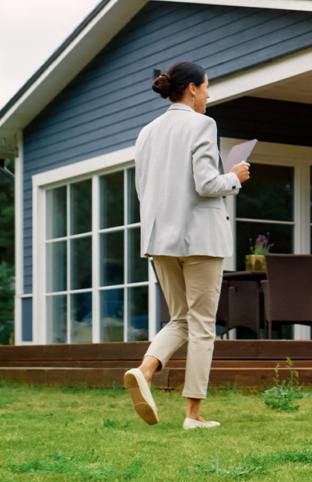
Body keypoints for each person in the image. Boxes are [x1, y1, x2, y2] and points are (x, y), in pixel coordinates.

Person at [123, 62, 250, 430]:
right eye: (207, 87)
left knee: (180, 319)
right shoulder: (202, 125)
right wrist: (235, 177)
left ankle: (145, 371)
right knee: (202, 325)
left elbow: (142, 188)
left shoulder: (146, 132)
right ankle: (193, 415)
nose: (209, 95)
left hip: (159, 239)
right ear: (192, 88)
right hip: (199, 239)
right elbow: (207, 183)